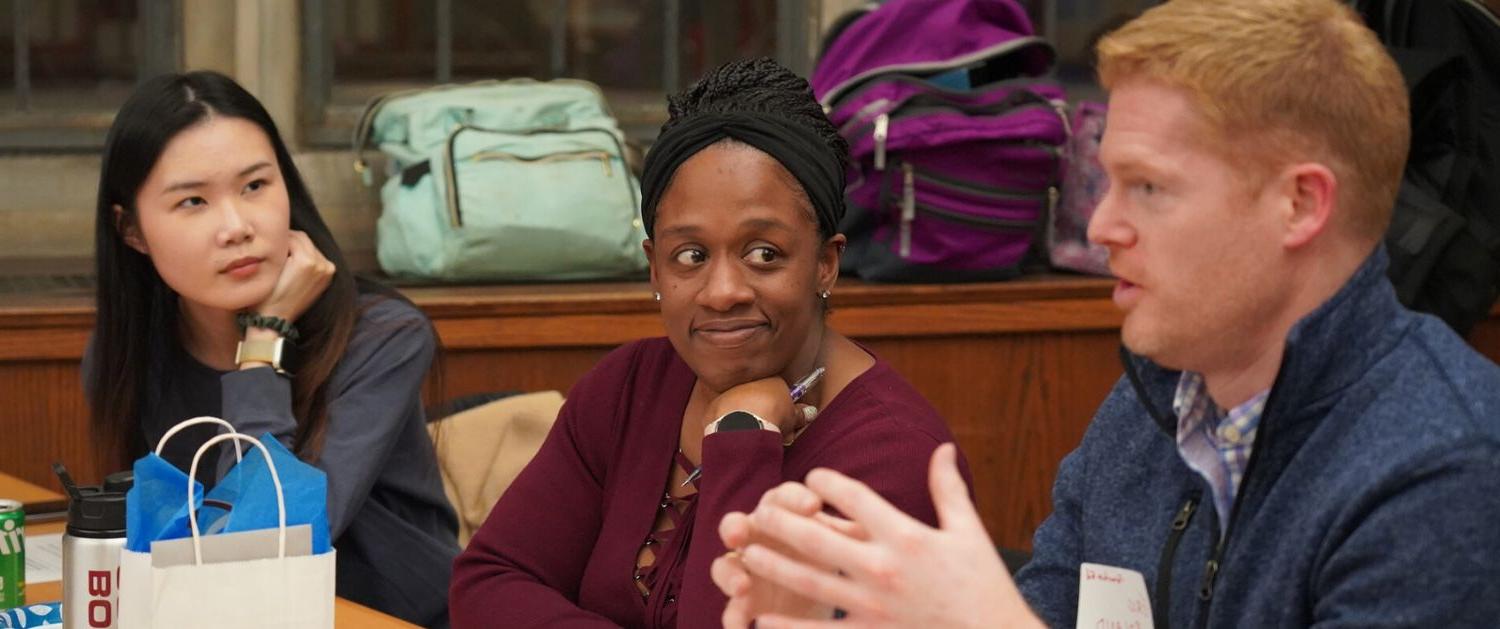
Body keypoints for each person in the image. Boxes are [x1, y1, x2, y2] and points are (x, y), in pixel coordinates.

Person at [709, 0, 1500, 627]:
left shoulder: (1445, 468)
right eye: (1106, 182)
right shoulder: (1154, 404)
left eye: (1148, 188)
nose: (1100, 227)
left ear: (1299, 204)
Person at [448, 57, 972, 628]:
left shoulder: (891, 462)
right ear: (655, 270)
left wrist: (741, 438)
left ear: (825, 263)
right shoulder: (630, 388)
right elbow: (489, 583)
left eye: (763, 254)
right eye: (691, 256)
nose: (722, 292)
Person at [86, 71, 459, 628]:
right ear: (132, 231)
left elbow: (269, 548)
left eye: (255, 186)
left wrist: (264, 341)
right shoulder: (130, 354)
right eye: (193, 201)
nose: (237, 227)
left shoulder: (382, 337)